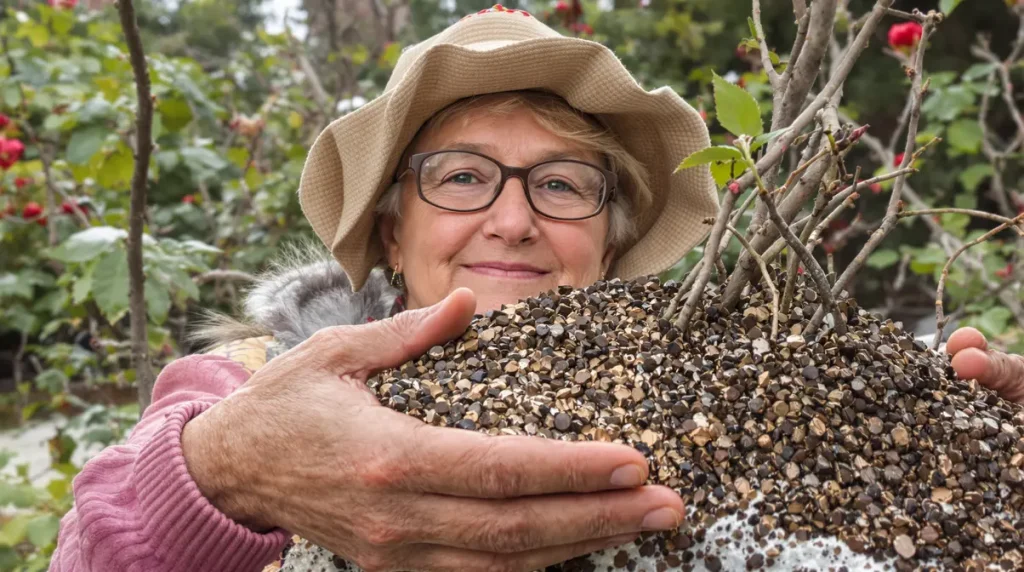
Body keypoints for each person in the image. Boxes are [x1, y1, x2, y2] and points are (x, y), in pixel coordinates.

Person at [50, 5, 1024, 572]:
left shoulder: (713, 390)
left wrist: (962, 460)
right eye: (463, 176)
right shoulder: (250, 385)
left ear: (610, 234)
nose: (513, 219)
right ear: (393, 223)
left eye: (560, 185)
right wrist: (228, 467)